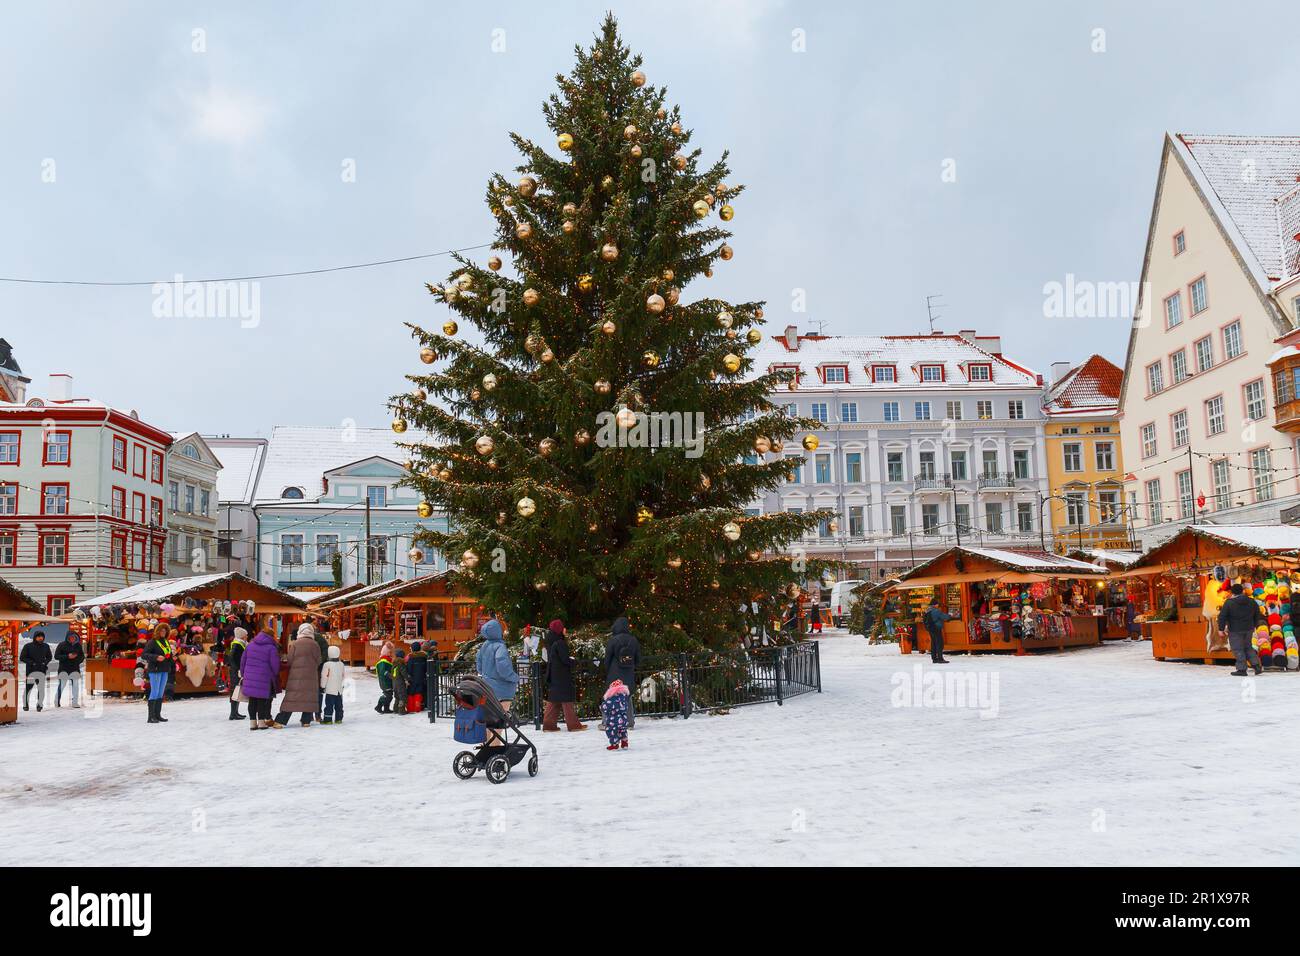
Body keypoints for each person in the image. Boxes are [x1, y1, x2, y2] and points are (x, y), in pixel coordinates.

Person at [475, 618, 519, 745]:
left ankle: (486, 746)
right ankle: (495, 748)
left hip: (487, 688)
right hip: (503, 690)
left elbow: (479, 667)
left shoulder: (484, 646)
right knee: (499, 721)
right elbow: (503, 667)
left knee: (488, 720)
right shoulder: (500, 647)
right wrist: (514, 677)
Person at [272, 622, 322, 728]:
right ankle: (306, 721)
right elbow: (319, 660)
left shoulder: (295, 644)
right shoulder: (315, 644)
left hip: (296, 676)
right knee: (309, 697)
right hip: (311, 676)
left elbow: (289, 660)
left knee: (292, 697)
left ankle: (280, 721)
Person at [542, 619, 587, 732]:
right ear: (559, 630)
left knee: (554, 700)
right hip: (562, 675)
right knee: (567, 700)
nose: (565, 630)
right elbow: (565, 660)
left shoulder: (550, 641)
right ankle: (574, 725)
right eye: (563, 628)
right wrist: (575, 661)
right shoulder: (560, 643)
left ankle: (549, 725)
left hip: (554, 674)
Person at [1217, 583, 1264, 677]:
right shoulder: (1251, 601)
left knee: (1238, 648)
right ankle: (1256, 666)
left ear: (1232, 592)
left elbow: (1222, 616)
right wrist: (1254, 625)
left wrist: (1221, 629)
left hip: (1235, 629)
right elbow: (1257, 614)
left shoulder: (1229, 602)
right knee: (1248, 647)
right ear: (1242, 591)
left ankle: (1242, 669)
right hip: (1249, 628)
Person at [239, 628, 282, 731]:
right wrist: (274, 674)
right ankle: (262, 723)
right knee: (262, 701)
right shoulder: (271, 648)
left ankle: (253, 723)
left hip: (250, 677)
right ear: (271, 636)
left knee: (252, 700)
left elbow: (243, 662)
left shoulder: (250, 645)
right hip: (264, 677)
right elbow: (275, 665)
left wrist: (244, 674)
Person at [604, 616, 640, 728]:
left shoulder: (613, 640)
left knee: (610, 697)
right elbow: (638, 659)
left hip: (614, 673)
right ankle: (629, 722)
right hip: (628, 672)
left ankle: (608, 722)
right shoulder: (633, 640)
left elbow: (607, 658)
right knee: (627, 697)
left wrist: (608, 670)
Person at [140, 624, 177, 723]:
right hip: (155, 670)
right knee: (155, 692)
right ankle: (150, 717)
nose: (163, 633)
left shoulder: (166, 642)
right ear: (157, 631)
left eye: (165, 631)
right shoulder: (152, 642)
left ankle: (157, 715)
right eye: (161, 631)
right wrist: (156, 657)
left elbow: (167, 655)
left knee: (160, 693)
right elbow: (144, 655)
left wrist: (172, 659)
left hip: (164, 670)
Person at [19, 631, 52, 712]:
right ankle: (25, 705)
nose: (41, 638)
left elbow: (49, 657)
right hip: (31, 671)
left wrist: (45, 662)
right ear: (35, 637)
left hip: (41, 671)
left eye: (42, 636)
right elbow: (22, 657)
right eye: (39, 636)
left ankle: (39, 705)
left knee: (41, 689)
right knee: (28, 689)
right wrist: (32, 662)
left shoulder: (46, 646)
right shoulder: (28, 646)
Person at [53, 631, 86, 708]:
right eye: (71, 637)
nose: (72, 638)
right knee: (62, 685)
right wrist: (67, 656)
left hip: (74, 668)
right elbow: (56, 656)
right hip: (64, 668)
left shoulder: (78, 645)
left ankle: (75, 702)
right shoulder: (61, 645)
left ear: (76, 638)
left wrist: (77, 661)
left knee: (75, 685)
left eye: (74, 637)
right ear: (67, 637)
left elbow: (82, 656)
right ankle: (56, 701)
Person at [600, 679, 631, 751]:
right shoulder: (624, 698)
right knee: (623, 730)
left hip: (613, 719)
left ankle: (614, 744)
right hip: (623, 718)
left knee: (612, 731)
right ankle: (624, 742)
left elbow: (605, 707)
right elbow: (626, 707)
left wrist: (602, 707)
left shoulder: (611, 699)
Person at [226, 626, 249, 720]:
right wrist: (239, 668)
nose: (247, 636)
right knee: (235, 691)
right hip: (236, 672)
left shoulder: (239, 643)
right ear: (242, 636)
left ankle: (235, 712)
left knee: (236, 691)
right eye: (246, 635)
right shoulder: (237, 644)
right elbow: (232, 657)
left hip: (235, 671)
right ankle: (233, 713)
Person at [923, 597, 955, 664]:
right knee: (939, 643)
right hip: (936, 628)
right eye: (937, 604)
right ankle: (940, 658)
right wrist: (951, 616)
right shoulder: (935, 611)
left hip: (930, 628)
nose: (938, 605)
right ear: (935, 604)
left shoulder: (927, 610)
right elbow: (944, 617)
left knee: (933, 643)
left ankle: (934, 658)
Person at [320, 645, 345, 724]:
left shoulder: (327, 665)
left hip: (330, 689)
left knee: (329, 705)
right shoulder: (341, 664)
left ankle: (328, 719)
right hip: (339, 689)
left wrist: (322, 686)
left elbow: (324, 676)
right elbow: (343, 676)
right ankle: (339, 718)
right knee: (339, 705)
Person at [405, 641, 428, 713]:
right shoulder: (424, 657)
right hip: (421, 678)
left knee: (411, 692)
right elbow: (426, 668)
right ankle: (418, 707)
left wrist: (408, 677)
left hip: (413, 678)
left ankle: (411, 708)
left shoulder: (411, 658)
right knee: (419, 692)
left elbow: (409, 669)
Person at [374, 648, 396, 714]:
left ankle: (386, 708)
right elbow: (383, 671)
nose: (392, 654)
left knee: (389, 695)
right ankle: (378, 706)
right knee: (387, 695)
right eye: (390, 652)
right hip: (385, 682)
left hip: (389, 681)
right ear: (386, 653)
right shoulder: (383, 661)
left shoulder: (388, 661)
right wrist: (391, 676)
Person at [392, 649, 409, 715]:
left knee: (397, 697)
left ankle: (395, 709)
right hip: (400, 683)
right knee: (402, 697)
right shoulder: (401, 664)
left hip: (394, 683)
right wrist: (408, 678)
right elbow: (404, 673)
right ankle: (401, 710)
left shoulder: (394, 664)